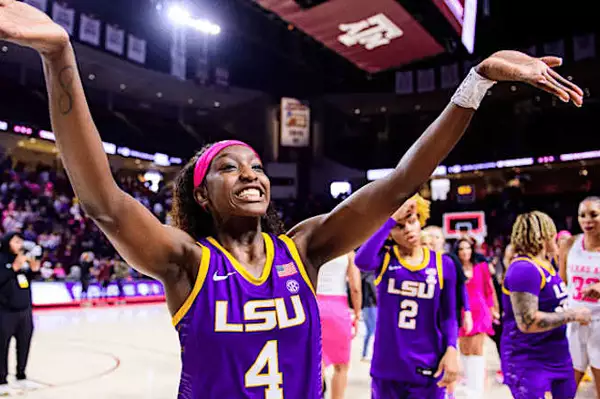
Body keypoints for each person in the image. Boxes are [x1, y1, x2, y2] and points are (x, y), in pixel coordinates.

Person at [0, 2, 583, 397]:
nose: (251, 174)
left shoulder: (303, 249)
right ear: (201, 194)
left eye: (256, 165)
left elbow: (403, 180)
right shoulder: (188, 260)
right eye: (228, 168)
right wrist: (59, 57)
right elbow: (103, 201)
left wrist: (475, 81)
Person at [355, 195, 459, 398]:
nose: (409, 229)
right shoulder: (385, 258)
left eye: (412, 221)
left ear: (421, 220)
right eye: (400, 227)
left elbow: (449, 314)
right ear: (390, 233)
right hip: (387, 367)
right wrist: (390, 219)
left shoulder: (443, 264)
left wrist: (452, 349)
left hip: (428, 364)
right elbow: (361, 260)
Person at [503, 211, 591, 399]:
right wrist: (574, 315)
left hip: (557, 354)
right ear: (544, 235)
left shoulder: (547, 264)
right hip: (527, 359)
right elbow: (528, 322)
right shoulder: (524, 268)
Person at [559, 197, 600, 396]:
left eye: (593, 215)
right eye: (582, 215)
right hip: (573, 322)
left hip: (599, 322)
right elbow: (560, 283)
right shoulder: (570, 244)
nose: (587, 220)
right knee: (566, 390)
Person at [453, 236, 498, 399]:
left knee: (477, 349)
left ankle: (477, 389)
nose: (465, 252)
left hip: (480, 310)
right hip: (462, 311)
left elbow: (489, 289)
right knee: (464, 348)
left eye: (467, 248)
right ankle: (470, 383)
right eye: (461, 249)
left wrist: (493, 309)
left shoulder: (481, 266)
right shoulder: (454, 268)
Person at [0, 232, 41, 395]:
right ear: (7, 243)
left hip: (25, 311)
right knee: (2, 347)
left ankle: (21, 376)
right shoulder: (2, 260)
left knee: (24, 344)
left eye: (21, 241)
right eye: (16, 241)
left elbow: (27, 279)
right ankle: (1, 380)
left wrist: (33, 269)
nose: (20, 244)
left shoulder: (22, 259)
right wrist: (14, 268)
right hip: (5, 312)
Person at [317, 252, 361, 399]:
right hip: (337, 307)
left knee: (317, 361)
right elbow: (355, 287)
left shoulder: (315, 245)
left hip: (313, 302)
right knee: (341, 366)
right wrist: (357, 313)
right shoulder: (348, 253)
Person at [361, 271, 378, 361]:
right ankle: (368, 354)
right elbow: (374, 291)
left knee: (369, 330)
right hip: (371, 305)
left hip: (366, 306)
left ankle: (365, 353)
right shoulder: (371, 276)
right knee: (372, 330)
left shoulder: (364, 276)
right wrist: (379, 301)